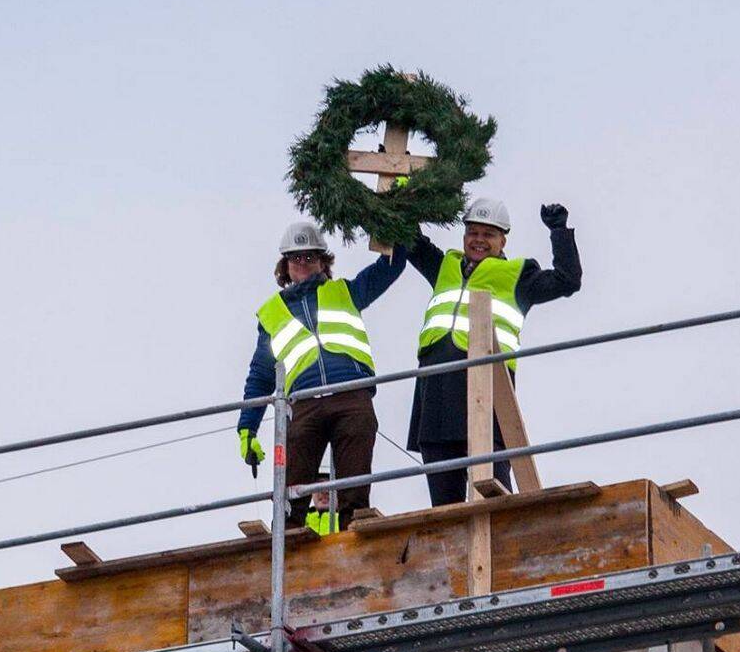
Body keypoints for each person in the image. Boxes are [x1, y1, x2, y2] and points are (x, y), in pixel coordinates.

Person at [406, 198, 582, 505]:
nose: (479, 240)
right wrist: (403, 188)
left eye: (488, 234)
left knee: (495, 498)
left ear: (503, 241)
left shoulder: (518, 275)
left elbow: (567, 280)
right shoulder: (445, 266)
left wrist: (559, 231)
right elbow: (407, 236)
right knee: (444, 508)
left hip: (488, 396)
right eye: (473, 232)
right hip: (436, 399)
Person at [238, 221, 408, 534]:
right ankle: (288, 539)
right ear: (285, 266)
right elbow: (260, 376)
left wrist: (389, 218)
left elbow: (391, 265)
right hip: (305, 405)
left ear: (322, 262)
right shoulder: (271, 314)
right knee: (292, 490)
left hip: (351, 396)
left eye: (310, 257)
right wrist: (247, 428)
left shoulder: (345, 291)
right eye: (295, 258)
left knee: (354, 490)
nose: (302, 263)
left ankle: (353, 539)